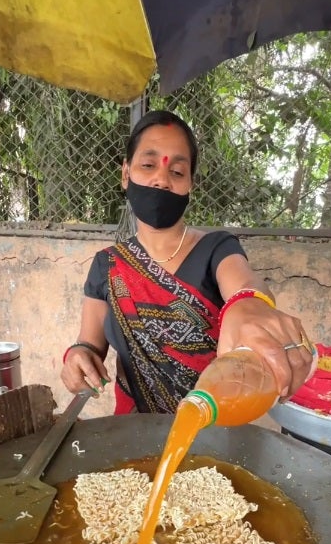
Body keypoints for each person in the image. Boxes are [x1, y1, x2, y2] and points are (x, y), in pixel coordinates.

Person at [61, 110, 315, 414]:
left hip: (212, 428)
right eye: (148, 165)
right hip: (130, 432)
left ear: (190, 184)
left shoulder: (216, 248)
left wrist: (250, 306)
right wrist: (77, 356)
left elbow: (243, 283)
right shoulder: (107, 266)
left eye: (177, 172)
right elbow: (89, 345)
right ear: (126, 174)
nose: (162, 180)